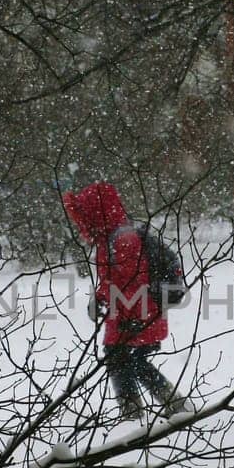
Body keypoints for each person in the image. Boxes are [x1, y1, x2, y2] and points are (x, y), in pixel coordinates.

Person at [62, 180, 189, 421]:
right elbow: (113, 282)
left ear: (97, 214)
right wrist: (99, 299)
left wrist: (132, 319)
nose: (82, 225)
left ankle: (138, 411)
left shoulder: (123, 240)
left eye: (85, 218)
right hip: (132, 314)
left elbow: (135, 285)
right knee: (130, 360)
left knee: (121, 358)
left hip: (140, 314)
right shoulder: (108, 240)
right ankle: (169, 404)